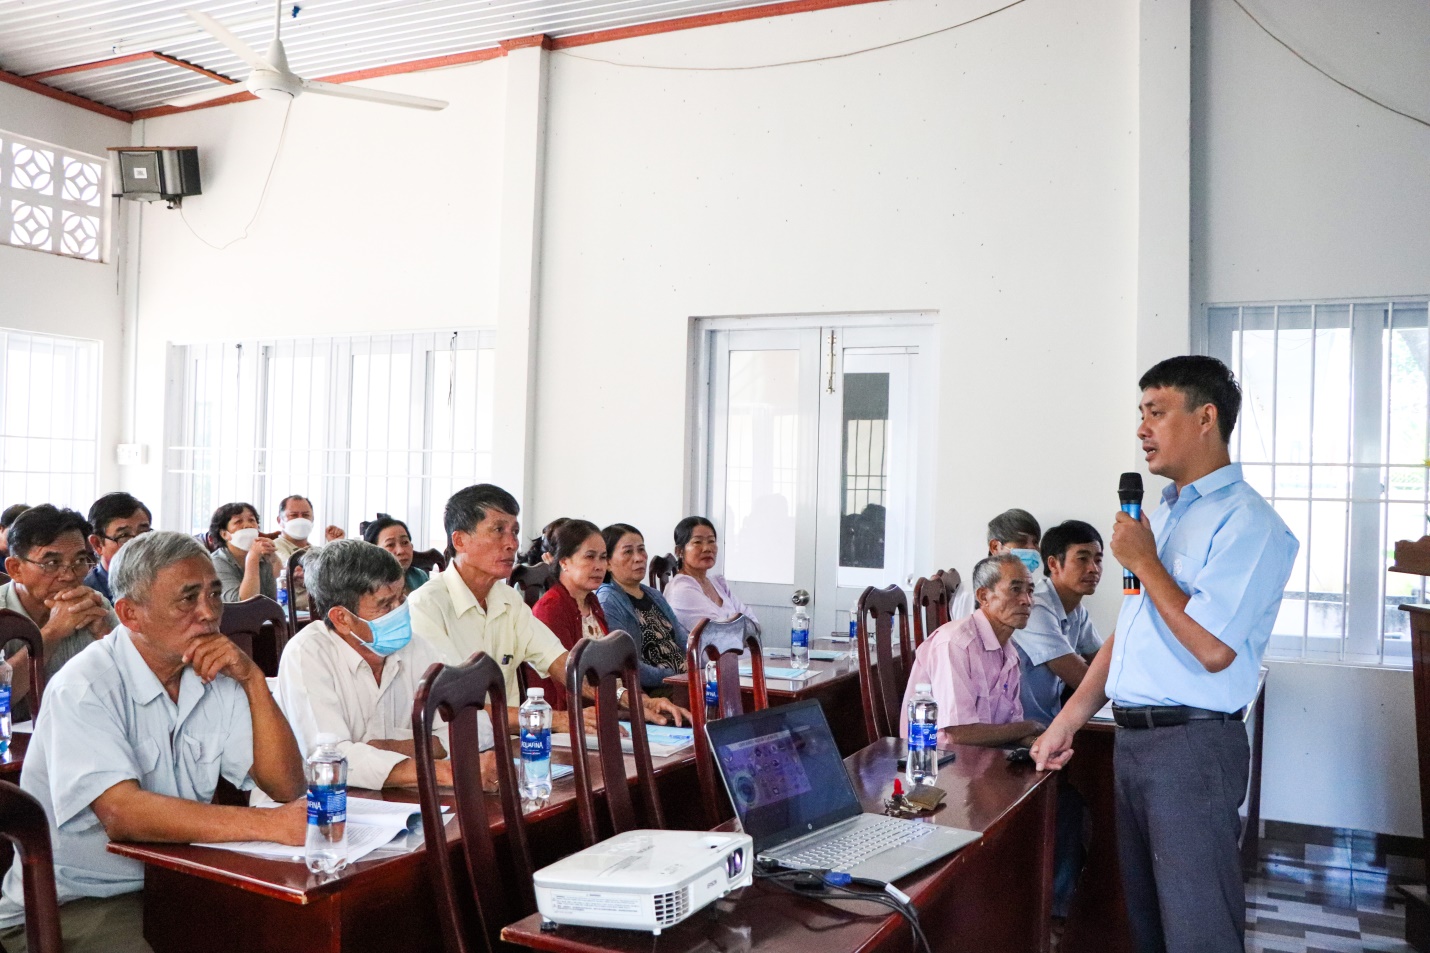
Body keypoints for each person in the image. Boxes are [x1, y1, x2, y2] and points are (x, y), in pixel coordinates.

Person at [1032, 356, 1299, 953]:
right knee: (1147, 931)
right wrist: (1067, 721)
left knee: (1197, 933)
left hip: (1191, 749)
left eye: (1156, 412)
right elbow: (1132, 637)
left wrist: (1146, 563)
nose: (1141, 429)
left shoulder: (1248, 523)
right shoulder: (1173, 515)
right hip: (1132, 745)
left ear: (1206, 417)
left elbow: (1211, 648)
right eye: (1140, 414)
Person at [0, 532, 307, 952]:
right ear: (129, 614)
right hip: (78, 902)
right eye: (187, 599)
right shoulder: (86, 684)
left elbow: (286, 786)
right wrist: (271, 825)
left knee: (295, 933)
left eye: (214, 594)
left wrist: (254, 681)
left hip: (180, 882)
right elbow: (123, 815)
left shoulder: (213, 669)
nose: (208, 613)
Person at [407, 485, 687, 733]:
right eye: (498, 530)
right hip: (453, 754)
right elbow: (454, 708)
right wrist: (554, 719)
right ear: (459, 540)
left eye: (514, 531)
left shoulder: (508, 600)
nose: (512, 543)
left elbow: (563, 664)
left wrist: (638, 701)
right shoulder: (426, 606)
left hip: (510, 746)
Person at [274, 540, 495, 793]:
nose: (400, 611)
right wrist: (446, 771)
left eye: (401, 597)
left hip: (403, 798)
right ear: (342, 618)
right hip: (322, 805)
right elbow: (332, 758)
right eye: (386, 605)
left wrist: (390, 748)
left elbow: (475, 727)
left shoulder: (415, 646)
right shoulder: (306, 653)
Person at [898, 552, 1044, 748]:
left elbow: (1010, 729)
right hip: (936, 762)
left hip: (986, 755)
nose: (1026, 600)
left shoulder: (1010, 654)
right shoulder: (955, 644)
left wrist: (1037, 743)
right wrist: (1031, 727)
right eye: (1015, 589)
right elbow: (959, 733)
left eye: (1030, 591)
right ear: (984, 596)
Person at [2, 505, 118, 716]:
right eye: (52, 563)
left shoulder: (94, 604)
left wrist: (104, 634)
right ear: (15, 569)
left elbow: (135, 686)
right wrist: (52, 632)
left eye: (80, 561)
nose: (69, 575)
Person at [1014, 520, 1104, 728]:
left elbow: (1104, 663)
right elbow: (1081, 678)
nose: (1093, 569)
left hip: (1051, 723)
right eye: (1082, 559)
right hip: (1021, 731)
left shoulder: (1077, 610)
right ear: (1053, 564)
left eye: (1098, 560)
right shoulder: (1035, 607)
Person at [597, 523, 689, 695]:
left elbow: (683, 639)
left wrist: (698, 666)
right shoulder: (608, 600)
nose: (639, 558)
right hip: (652, 690)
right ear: (608, 562)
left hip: (683, 681)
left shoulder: (654, 595)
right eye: (628, 552)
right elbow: (625, 662)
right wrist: (676, 676)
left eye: (641, 549)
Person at [531, 520, 610, 709]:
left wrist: (641, 701)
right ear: (564, 562)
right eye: (590, 557)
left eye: (603, 557)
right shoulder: (552, 608)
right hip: (568, 717)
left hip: (605, 705)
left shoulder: (592, 601)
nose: (599, 566)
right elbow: (567, 686)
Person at [663, 517, 757, 634]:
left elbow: (753, 621)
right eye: (697, 542)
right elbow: (717, 634)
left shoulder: (718, 583)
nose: (707, 548)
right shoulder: (681, 590)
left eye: (711, 541)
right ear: (679, 551)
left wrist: (742, 630)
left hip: (739, 651)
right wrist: (743, 630)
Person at [949, 508, 1043, 620]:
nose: (1032, 548)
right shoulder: (970, 593)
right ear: (995, 547)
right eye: (1021, 542)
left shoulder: (1034, 592)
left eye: (1035, 542)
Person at [85, 492, 152, 603]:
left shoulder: (159, 584)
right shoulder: (89, 597)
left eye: (144, 533)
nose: (138, 544)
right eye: (124, 536)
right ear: (97, 544)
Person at [209, 502, 277, 602]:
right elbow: (243, 605)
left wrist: (273, 557)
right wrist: (253, 558)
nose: (247, 525)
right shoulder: (216, 563)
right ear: (224, 534)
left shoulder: (262, 557)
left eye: (251, 520)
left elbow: (272, 601)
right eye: (238, 521)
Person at [362, 514, 429, 593]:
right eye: (390, 544)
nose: (401, 551)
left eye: (405, 542)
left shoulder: (419, 576)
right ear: (372, 552)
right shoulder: (364, 585)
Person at [273, 494, 317, 612]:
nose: (300, 520)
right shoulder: (272, 549)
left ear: (312, 520)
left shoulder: (317, 552)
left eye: (305, 515)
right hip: (293, 616)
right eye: (294, 515)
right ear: (280, 521)